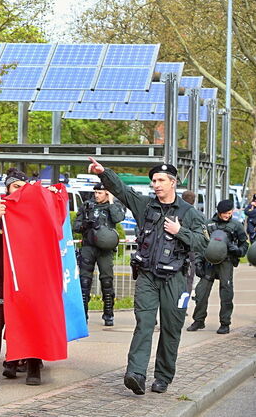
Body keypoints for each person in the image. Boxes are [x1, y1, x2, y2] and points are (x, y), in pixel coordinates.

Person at [88, 158, 208, 395]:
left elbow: (203, 243)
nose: (156, 184)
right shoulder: (146, 206)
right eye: (154, 180)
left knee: (171, 328)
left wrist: (179, 231)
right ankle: (136, 373)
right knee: (144, 323)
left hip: (176, 278)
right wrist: (104, 173)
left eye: (161, 180)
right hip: (147, 276)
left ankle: (163, 376)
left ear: (173, 183)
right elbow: (122, 191)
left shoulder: (189, 213)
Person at [0, 168, 42, 392]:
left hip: (28, 282)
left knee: (30, 324)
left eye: (23, 188)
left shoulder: (35, 210)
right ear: (7, 189)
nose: (18, 192)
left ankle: (33, 366)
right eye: (14, 187)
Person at [187, 199, 248, 334]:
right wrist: (198, 263)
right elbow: (200, 245)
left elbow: (244, 244)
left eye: (229, 212)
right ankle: (199, 320)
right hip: (209, 262)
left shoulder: (236, 225)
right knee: (201, 292)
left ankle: (225, 323)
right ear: (218, 212)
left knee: (226, 294)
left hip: (226, 262)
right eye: (224, 213)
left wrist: (237, 251)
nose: (227, 215)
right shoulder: (208, 225)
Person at [73, 182, 125, 326]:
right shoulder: (87, 206)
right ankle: (83, 315)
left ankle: (108, 314)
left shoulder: (112, 205)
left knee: (107, 282)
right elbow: (76, 225)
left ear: (107, 193)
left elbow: (118, 218)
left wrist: (111, 201)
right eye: (95, 192)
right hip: (88, 247)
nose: (96, 195)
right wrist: (85, 225)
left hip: (105, 249)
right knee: (84, 281)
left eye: (100, 192)